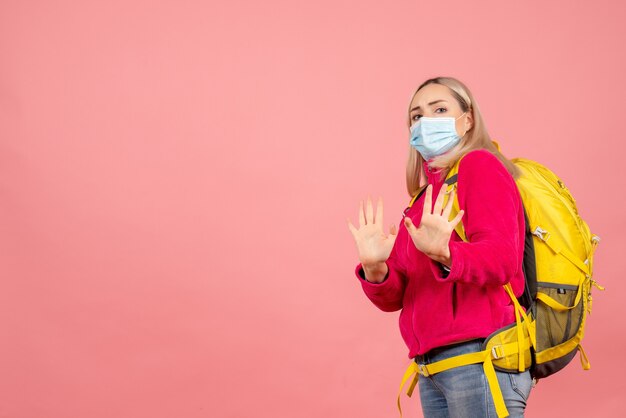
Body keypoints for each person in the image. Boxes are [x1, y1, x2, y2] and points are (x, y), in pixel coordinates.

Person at [347, 76, 533, 417]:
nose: (425, 121)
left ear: (468, 120)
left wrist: (446, 253)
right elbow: (399, 297)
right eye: (416, 116)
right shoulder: (421, 200)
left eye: (440, 109)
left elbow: (503, 260)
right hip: (432, 368)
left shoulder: (480, 166)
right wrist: (376, 268)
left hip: (479, 359)